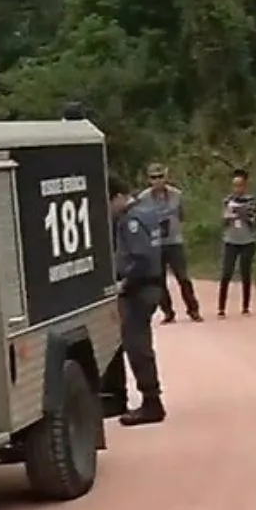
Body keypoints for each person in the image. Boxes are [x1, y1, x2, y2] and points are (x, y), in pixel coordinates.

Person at [99, 178, 166, 426]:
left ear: (117, 197)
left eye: (107, 203)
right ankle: (123, 398)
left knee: (137, 346)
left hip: (139, 289)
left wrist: (123, 284)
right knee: (134, 343)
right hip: (151, 286)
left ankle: (151, 402)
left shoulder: (132, 220)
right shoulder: (148, 211)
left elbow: (141, 258)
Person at [138, 164, 202, 323]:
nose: (157, 181)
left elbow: (182, 215)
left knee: (183, 277)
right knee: (159, 279)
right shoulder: (143, 198)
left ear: (165, 177)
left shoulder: (176, 195)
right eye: (154, 177)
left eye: (160, 177)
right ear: (149, 179)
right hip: (155, 243)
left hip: (174, 241)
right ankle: (168, 312)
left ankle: (193, 309)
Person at [217, 169, 256, 317]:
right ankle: (221, 308)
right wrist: (228, 216)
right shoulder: (227, 200)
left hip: (247, 240)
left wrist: (245, 215)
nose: (237, 189)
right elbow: (222, 221)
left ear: (245, 186)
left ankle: (245, 306)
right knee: (226, 273)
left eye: (240, 185)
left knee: (245, 272)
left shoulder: (252, 201)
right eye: (235, 185)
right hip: (231, 239)